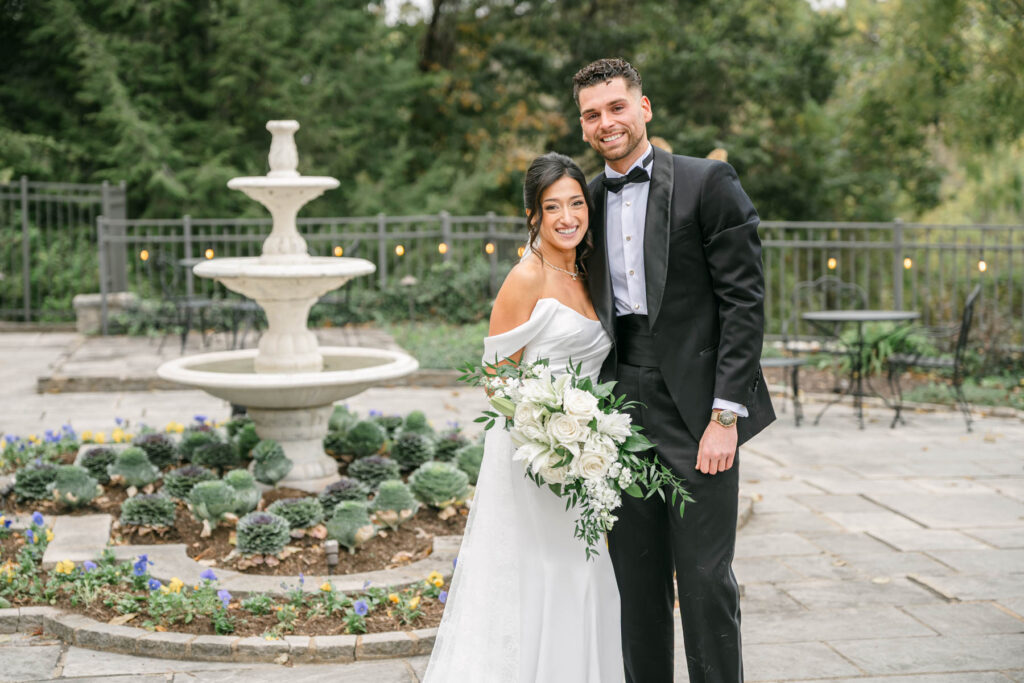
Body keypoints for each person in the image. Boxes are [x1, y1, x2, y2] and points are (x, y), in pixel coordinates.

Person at [573, 57, 776, 683]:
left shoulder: (706, 183)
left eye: (616, 107)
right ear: (582, 125)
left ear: (644, 108)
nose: (606, 122)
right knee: (634, 580)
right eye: (591, 114)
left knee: (706, 577)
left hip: (698, 407)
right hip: (618, 405)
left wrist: (725, 416)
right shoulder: (580, 201)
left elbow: (745, 303)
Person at [423, 152, 625, 682]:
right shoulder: (526, 277)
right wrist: (547, 432)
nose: (567, 217)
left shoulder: (589, 269)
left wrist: (588, 438)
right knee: (543, 575)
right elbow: (496, 378)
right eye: (552, 206)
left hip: (587, 458)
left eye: (576, 203)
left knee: (585, 569)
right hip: (535, 458)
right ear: (534, 216)